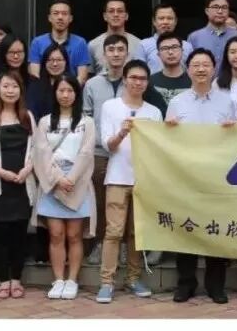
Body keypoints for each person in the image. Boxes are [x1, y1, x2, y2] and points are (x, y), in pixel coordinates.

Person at [83, 34, 168, 267]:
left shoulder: (150, 103)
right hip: (103, 156)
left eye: (121, 49)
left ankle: (130, 269)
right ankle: (103, 258)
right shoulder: (95, 87)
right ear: (103, 54)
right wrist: (116, 135)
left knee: (133, 227)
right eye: (111, 49)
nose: (137, 83)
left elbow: (159, 134)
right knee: (105, 212)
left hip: (139, 169)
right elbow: (87, 117)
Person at [166, 49, 237, 304]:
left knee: (215, 229)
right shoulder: (177, 102)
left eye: (205, 64)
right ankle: (186, 283)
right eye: (195, 65)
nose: (200, 69)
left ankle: (216, 285)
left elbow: (236, 141)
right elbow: (166, 140)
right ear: (188, 70)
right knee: (186, 228)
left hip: (217, 176)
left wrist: (233, 130)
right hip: (186, 176)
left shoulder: (227, 102)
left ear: (214, 69)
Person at [96, 59, 162, 304]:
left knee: (136, 232)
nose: (138, 82)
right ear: (124, 79)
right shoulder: (110, 107)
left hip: (143, 179)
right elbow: (108, 145)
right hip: (117, 177)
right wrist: (122, 133)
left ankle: (133, 278)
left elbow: (158, 148)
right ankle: (106, 282)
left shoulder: (153, 112)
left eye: (142, 79)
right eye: (133, 77)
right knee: (113, 232)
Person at [34, 75, 96, 301]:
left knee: (74, 235)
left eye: (70, 90)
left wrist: (71, 178)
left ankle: (72, 280)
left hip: (78, 182)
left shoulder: (86, 122)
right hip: (52, 182)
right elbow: (41, 153)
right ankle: (58, 279)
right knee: (56, 234)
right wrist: (58, 178)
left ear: (76, 94)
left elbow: (87, 153)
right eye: (61, 90)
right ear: (55, 93)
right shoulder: (44, 122)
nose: (65, 95)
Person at [0, 71, 37, 299]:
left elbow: (36, 150)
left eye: (14, 86)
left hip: (22, 184)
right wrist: (1, 172)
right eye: (5, 86)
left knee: (19, 235)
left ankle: (16, 279)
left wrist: (26, 170)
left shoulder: (27, 116)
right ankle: (2, 280)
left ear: (21, 90)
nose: (10, 91)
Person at [28, 0, 91, 82]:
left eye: (64, 14)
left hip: (72, 89)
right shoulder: (37, 42)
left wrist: (68, 89)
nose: (60, 17)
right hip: (44, 88)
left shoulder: (80, 43)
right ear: (49, 18)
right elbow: (35, 75)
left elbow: (82, 77)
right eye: (56, 13)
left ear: (70, 18)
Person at [187, 0, 237, 73]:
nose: (220, 11)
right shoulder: (194, 37)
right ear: (207, 11)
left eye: (224, 7)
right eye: (215, 7)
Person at [88, 0, 142, 76]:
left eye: (120, 11)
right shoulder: (93, 45)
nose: (116, 14)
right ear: (105, 16)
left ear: (126, 16)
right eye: (111, 11)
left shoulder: (139, 44)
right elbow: (89, 76)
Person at [140, 4, 194, 74]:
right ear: (154, 21)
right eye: (161, 18)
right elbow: (139, 72)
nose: (165, 22)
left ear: (176, 21)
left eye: (170, 18)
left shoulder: (187, 46)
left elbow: (192, 72)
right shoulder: (143, 45)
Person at [27, 42, 69, 122]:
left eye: (59, 60)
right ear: (44, 62)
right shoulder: (34, 86)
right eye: (50, 60)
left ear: (66, 62)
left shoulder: (73, 85)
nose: (55, 64)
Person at [150, 32, 193, 105]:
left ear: (182, 51)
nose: (170, 52)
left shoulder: (193, 81)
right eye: (165, 48)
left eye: (174, 47)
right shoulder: (150, 82)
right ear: (158, 54)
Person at [0, 34, 29, 105]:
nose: (16, 56)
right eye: (11, 52)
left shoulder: (32, 79)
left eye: (19, 52)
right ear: (4, 54)